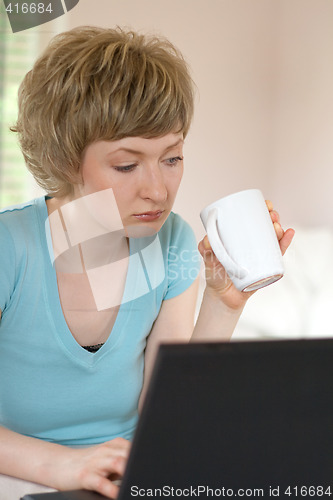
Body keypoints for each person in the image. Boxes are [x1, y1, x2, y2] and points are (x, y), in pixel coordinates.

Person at [0, 26, 294, 499]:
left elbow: (172, 416)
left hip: (133, 478)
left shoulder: (172, 242)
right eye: (126, 165)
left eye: (172, 158)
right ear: (65, 158)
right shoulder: (8, 247)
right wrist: (67, 467)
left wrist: (224, 303)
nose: (158, 190)